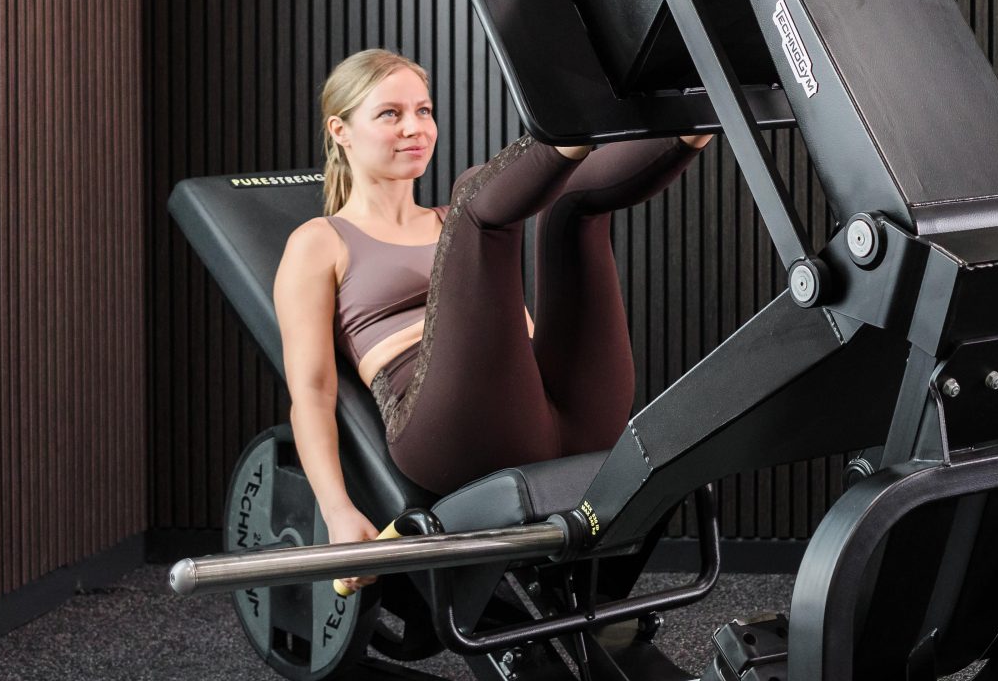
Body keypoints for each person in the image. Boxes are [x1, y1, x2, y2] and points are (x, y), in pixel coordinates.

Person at [270, 49, 711, 573]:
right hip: (445, 431)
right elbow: (313, 394)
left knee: (567, 211)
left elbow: (515, 339)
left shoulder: (454, 226)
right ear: (341, 130)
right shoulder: (321, 242)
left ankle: (698, 116)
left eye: (424, 111)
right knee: (475, 202)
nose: (414, 128)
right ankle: (576, 125)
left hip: (550, 422)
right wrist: (339, 513)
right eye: (390, 114)